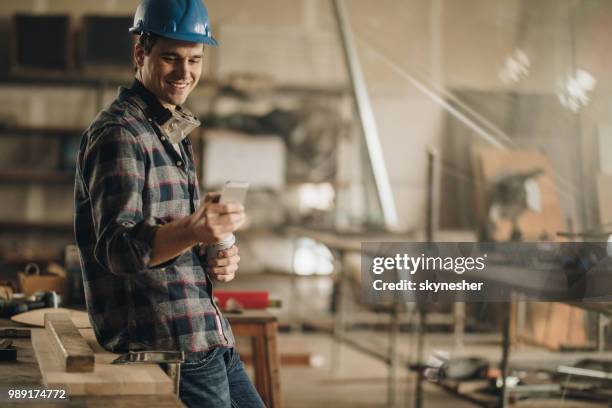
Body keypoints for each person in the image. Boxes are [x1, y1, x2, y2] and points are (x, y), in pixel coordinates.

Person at [74, 0, 265, 406]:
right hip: (169, 341)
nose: (185, 72)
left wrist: (213, 251)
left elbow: (168, 239)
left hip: (207, 333)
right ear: (140, 53)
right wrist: (193, 228)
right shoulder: (120, 134)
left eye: (195, 59)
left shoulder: (170, 129)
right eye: (171, 58)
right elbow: (117, 250)